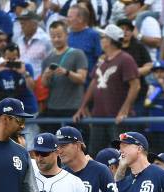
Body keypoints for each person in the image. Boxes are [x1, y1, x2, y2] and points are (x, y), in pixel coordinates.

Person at [73, 24, 140, 155]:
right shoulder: (102, 61)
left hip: (117, 119)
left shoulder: (126, 59)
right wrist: (82, 107)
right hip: (99, 118)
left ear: (109, 40)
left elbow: (135, 85)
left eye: (103, 37)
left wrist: (124, 109)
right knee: (96, 154)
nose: (101, 40)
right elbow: (93, 83)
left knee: (122, 156)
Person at [39, 20, 88, 134]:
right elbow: (44, 84)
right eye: (53, 36)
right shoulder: (47, 58)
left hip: (72, 108)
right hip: (53, 109)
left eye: (59, 36)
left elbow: (82, 78)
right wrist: (46, 76)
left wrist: (66, 72)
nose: (56, 39)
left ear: (67, 35)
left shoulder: (78, 54)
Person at [0, 43, 38, 117]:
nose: (11, 62)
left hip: (28, 110)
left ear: (19, 56)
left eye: (14, 59)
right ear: (3, 57)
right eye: (8, 59)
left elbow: (32, 88)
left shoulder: (26, 67)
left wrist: (24, 73)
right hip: (9, 112)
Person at [117, 18, 153, 115]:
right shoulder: (113, 47)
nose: (125, 32)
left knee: (137, 123)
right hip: (117, 93)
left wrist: (132, 73)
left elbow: (149, 66)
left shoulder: (139, 46)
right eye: (122, 29)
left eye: (128, 29)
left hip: (138, 92)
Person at [146, 60, 164, 153]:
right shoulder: (152, 85)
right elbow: (147, 102)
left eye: (162, 71)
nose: (159, 74)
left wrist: (163, 85)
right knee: (154, 151)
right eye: (156, 72)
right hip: (153, 124)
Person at [15, 10, 51, 78]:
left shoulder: (46, 40)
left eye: (24, 23)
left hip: (39, 84)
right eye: (21, 23)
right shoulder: (19, 40)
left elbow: (52, 63)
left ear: (34, 24)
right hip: (22, 83)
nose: (21, 26)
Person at [67, 5, 101, 75]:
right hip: (68, 80)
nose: (67, 20)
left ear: (80, 19)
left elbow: (100, 59)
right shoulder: (67, 35)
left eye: (70, 17)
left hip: (88, 81)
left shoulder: (93, 35)